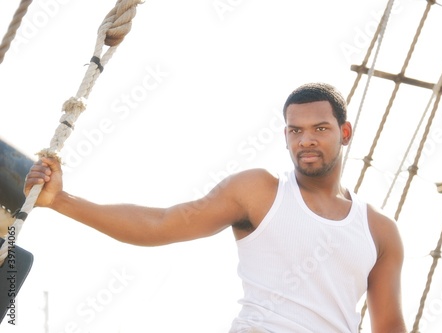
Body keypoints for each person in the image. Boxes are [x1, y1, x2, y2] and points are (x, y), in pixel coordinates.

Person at [24, 82, 407, 333]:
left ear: (344, 133)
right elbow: (162, 223)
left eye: (320, 129)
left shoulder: (379, 230)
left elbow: (389, 326)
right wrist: (61, 201)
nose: (305, 140)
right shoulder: (258, 191)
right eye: (295, 130)